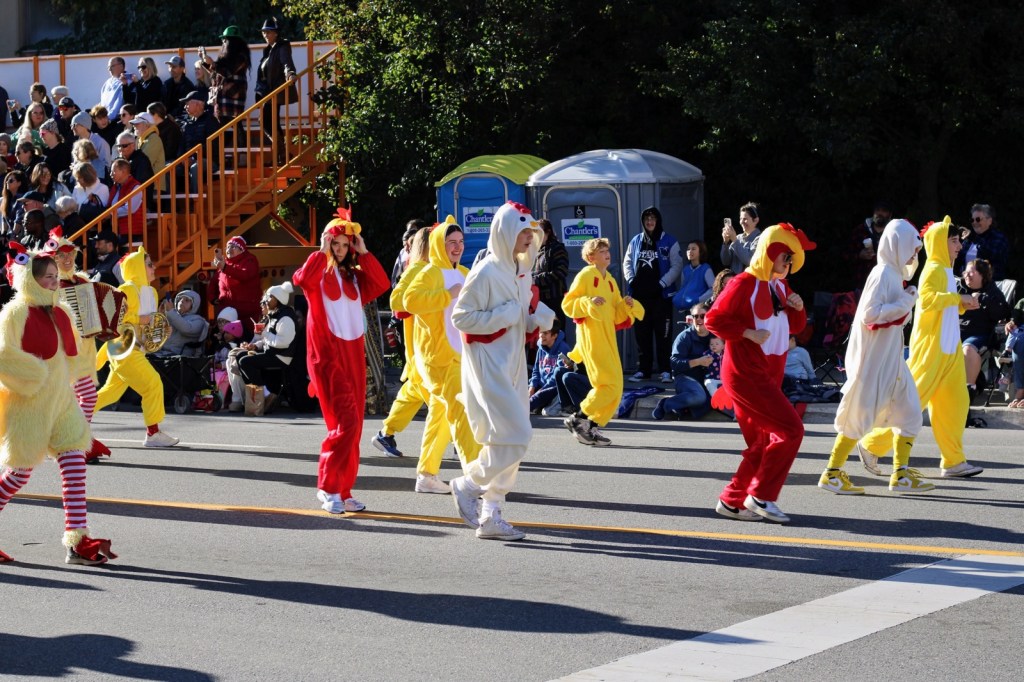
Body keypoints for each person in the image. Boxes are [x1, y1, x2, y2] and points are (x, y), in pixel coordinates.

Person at [0, 246, 116, 565]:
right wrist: (34, 374)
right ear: (31, 281)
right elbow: (3, 357)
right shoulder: (15, 312)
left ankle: (76, 542)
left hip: (61, 403)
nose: (54, 282)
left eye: (55, 277)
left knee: (75, 461)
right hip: (30, 406)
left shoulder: (62, 311)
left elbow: (72, 357)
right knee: (18, 475)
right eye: (48, 278)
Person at [449, 201, 555, 540]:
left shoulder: (519, 270)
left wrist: (535, 318)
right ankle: (467, 484)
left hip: (512, 362)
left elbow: (519, 313)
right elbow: (461, 318)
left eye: (531, 232)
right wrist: (509, 316)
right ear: (506, 231)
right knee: (517, 435)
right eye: (523, 231)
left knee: (504, 439)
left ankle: (491, 513)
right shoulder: (486, 271)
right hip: (487, 364)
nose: (529, 237)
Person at [857, 217, 985, 479]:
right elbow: (926, 301)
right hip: (931, 351)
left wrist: (962, 304)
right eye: (953, 240)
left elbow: (942, 305)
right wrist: (959, 299)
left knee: (957, 405)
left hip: (949, 350)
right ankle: (870, 445)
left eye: (958, 241)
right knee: (910, 406)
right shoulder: (934, 269)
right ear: (939, 242)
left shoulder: (945, 269)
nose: (959, 245)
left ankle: (953, 461)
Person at [705, 223, 815, 523]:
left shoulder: (779, 285)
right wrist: (746, 333)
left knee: (762, 443)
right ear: (771, 253)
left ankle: (732, 500)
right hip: (746, 375)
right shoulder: (743, 283)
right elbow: (713, 319)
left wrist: (798, 306)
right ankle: (761, 496)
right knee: (791, 431)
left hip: (765, 376)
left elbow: (794, 328)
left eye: (792, 260)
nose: (789, 264)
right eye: (785, 257)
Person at [818, 219, 932, 496]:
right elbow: (871, 316)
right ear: (897, 246)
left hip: (890, 359)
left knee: (910, 413)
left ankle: (901, 474)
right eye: (912, 249)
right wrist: (907, 300)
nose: (914, 256)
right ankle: (832, 473)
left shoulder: (892, 274)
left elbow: (887, 316)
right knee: (859, 415)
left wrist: (905, 300)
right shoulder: (883, 274)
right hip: (873, 361)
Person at [291, 208, 389, 513]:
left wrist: (365, 251)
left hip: (353, 355)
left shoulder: (355, 278)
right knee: (345, 422)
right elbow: (301, 278)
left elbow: (382, 283)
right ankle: (328, 487)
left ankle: (344, 489)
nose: (340, 249)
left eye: (345, 245)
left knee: (355, 426)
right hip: (327, 355)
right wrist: (321, 250)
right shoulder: (317, 273)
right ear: (327, 242)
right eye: (336, 243)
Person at [403, 216, 483, 489]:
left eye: (460, 242)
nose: (457, 247)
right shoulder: (429, 272)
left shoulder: (463, 272)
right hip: (437, 357)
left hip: (460, 355)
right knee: (461, 409)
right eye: (451, 242)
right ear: (440, 244)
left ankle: (426, 475)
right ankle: (475, 476)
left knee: (442, 414)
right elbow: (409, 301)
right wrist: (446, 295)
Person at [94, 247, 179, 447]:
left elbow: (149, 324)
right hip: (124, 347)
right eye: (149, 264)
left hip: (131, 348)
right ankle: (153, 433)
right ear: (137, 267)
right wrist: (143, 319)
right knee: (153, 383)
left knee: (110, 393)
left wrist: (161, 330)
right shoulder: (127, 289)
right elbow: (114, 320)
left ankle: (73, 417)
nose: (153, 267)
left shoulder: (150, 292)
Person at [562, 237, 644, 445]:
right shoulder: (586, 274)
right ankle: (578, 418)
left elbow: (616, 314)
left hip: (607, 337)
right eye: (601, 251)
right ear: (591, 257)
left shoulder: (610, 280)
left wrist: (625, 305)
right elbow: (568, 303)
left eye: (607, 249)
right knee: (606, 383)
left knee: (616, 386)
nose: (607, 253)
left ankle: (592, 425)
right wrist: (588, 301)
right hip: (590, 336)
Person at [47, 227, 112, 463]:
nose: (67, 259)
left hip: (84, 351)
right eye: (61, 256)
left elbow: (94, 313)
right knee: (84, 397)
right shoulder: (50, 284)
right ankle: (76, 443)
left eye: (70, 255)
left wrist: (104, 326)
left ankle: (73, 442)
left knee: (74, 400)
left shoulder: (82, 280)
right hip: (64, 351)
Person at [372, 226, 431, 460]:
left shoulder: (432, 269)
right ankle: (458, 437)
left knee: (412, 394)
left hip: (427, 345)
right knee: (441, 398)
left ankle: (385, 434)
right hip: (422, 345)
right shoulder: (416, 270)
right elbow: (398, 303)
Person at [623, 206, 681, 383]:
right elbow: (627, 262)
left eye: (653, 219)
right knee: (642, 335)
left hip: (661, 298)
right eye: (647, 219)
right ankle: (643, 370)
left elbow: (677, 265)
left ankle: (665, 370)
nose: (650, 222)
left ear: (658, 221)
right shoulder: (635, 241)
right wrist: (631, 280)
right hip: (639, 298)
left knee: (663, 335)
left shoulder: (670, 241)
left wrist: (662, 283)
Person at [236, 283, 298, 414]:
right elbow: (268, 339)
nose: (266, 300)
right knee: (240, 356)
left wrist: (264, 334)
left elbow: (283, 343)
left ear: (278, 299)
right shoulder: (275, 315)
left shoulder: (285, 317)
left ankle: (266, 395)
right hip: (273, 353)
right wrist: (256, 345)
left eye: (270, 297)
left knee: (245, 362)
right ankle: (262, 395)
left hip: (282, 356)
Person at [958, 258, 1010, 397]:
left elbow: (1004, 313)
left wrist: (983, 300)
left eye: (972, 272)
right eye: (966, 272)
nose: (967, 275)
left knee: (968, 348)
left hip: (979, 334)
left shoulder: (992, 292)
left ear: (983, 275)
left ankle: (968, 390)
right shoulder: (958, 288)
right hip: (954, 332)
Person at [652, 303, 713, 421]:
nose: (699, 319)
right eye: (696, 316)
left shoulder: (715, 336)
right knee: (699, 397)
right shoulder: (685, 336)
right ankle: (666, 403)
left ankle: (680, 409)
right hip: (685, 377)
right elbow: (674, 363)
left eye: (703, 316)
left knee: (712, 399)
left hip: (707, 379)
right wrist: (698, 362)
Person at [256, 17, 298, 159]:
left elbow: (287, 63)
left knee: (267, 121)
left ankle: (283, 153)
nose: (265, 35)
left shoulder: (282, 46)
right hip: (267, 93)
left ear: (276, 33)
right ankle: (283, 153)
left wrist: (290, 74)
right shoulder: (268, 50)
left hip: (276, 92)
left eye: (268, 32)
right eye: (264, 33)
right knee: (269, 121)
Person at [208, 235, 262, 337]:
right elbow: (213, 283)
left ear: (241, 249)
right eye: (228, 247)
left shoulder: (250, 260)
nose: (229, 249)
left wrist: (225, 267)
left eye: (233, 247)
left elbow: (244, 275)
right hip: (228, 314)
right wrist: (213, 298)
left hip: (246, 314)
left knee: (245, 338)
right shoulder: (224, 265)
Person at [200, 26, 252, 125]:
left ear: (233, 42)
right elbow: (217, 73)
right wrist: (206, 62)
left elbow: (227, 73)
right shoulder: (226, 57)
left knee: (236, 127)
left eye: (225, 39)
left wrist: (212, 63)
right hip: (222, 99)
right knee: (224, 128)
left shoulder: (241, 57)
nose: (223, 42)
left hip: (233, 98)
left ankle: (240, 141)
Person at [955, 203, 1010, 281]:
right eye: (972, 220)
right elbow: (958, 261)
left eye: (978, 219)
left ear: (989, 221)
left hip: (991, 285)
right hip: (967, 284)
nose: (974, 222)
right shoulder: (969, 239)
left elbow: (992, 256)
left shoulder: (999, 238)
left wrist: (974, 239)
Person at [846, 200, 893, 291]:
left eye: (884, 211)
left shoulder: (894, 233)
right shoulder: (860, 230)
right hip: (862, 283)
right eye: (877, 210)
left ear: (890, 215)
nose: (880, 213)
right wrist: (859, 255)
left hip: (886, 283)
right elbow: (846, 253)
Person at [532, 218, 569, 330]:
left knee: (555, 333)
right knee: (542, 334)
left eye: (539, 232)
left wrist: (537, 280)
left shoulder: (557, 248)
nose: (536, 236)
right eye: (535, 233)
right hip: (539, 300)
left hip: (554, 299)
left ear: (548, 232)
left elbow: (561, 271)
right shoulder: (536, 250)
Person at [529, 321, 571, 415]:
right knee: (521, 389)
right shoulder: (541, 348)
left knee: (536, 398)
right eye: (540, 332)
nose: (541, 335)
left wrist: (541, 389)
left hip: (553, 387)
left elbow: (558, 375)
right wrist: (532, 386)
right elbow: (536, 370)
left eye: (545, 333)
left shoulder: (563, 348)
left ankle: (521, 410)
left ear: (554, 336)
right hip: (541, 386)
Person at [155, 289, 208, 358]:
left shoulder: (199, 320)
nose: (182, 301)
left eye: (187, 300)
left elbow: (186, 329)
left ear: (194, 305)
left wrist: (171, 311)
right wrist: (161, 316)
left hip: (180, 358)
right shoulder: (171, 316)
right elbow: (156, 337)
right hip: (161, 354)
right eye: (180, 299)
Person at [106, 158, 144, 240]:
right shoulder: (115, 187)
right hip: (116, 229)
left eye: (113, 171)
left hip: (130, 231)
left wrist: (111, 213)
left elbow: (130, 208)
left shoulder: (136, 186)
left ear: (123, 172)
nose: (111, 174)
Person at [673, 239, 714, 312]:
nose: (690, 251)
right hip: (685, 310)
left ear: (700, 252)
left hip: (699, 310)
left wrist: (698, 300)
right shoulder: (685, 270)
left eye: (693, 249)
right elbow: (683, 287)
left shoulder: (706, 269)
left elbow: (713, 289)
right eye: (688, 249)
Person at [719, 202, 762, 272]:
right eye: (740, 218)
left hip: (749, 281)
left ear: (756, 220)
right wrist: (725, 242)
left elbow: (750, 260)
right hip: (735, 280)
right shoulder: (738, 237)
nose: (741, 222)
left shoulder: (760, 238)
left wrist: (735, 241)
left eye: (745, 219)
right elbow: (725, 261)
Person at [71, 111, 111, 179]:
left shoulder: (100, 142)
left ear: (84, 125)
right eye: (71, 125)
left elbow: (107, 165)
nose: (72, 128)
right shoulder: (76, 144)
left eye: (74, 125)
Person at [130, 113, 166, 190]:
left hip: (155, 188)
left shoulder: (153, 139)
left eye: (137, 124)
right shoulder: (143, 139)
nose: (134, 126)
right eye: (134, 124)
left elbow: (143, 163)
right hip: (148, 187)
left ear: (146, 125)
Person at [148, 102, 182, 170]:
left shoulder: (172, 128)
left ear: (156, 115)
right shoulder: (152, 129)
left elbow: (171, 151)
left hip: (169, 160)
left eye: (148, 115)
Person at [703, 335, 725, 400]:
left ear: (723, 346)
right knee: (708, 383)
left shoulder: (726, 354)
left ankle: (728, 399)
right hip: (712, 378)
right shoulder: (708, 354)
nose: (714, 346)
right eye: (711, 344)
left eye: (717, 344)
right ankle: (717, 398)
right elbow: (703, 363)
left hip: (724, 378)